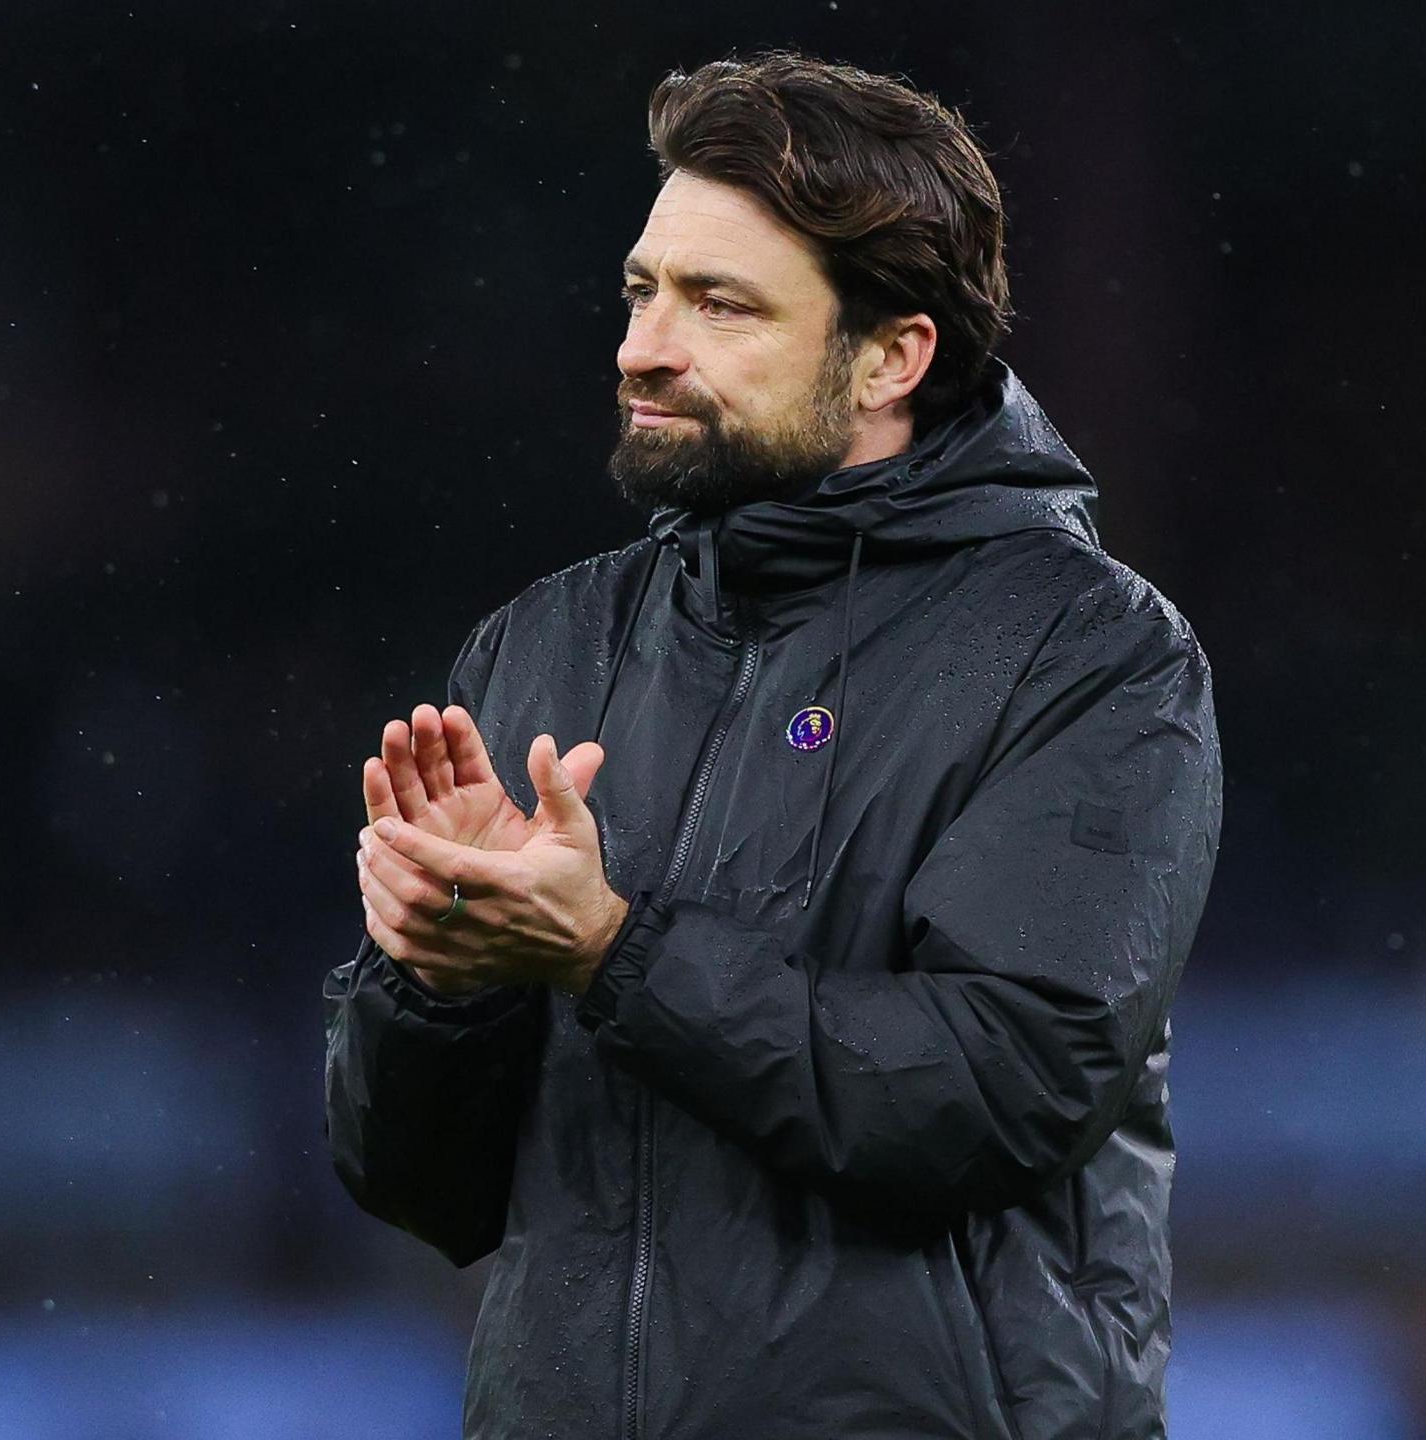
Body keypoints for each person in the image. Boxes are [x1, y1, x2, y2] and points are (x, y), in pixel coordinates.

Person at [322, 50, 1223, 1439]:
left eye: (719, 304)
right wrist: (441, 984)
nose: (642, 346)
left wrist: (612, 952)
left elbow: (994, 1094)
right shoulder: (545, 646)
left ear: (891, 356)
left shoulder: (1088, 652)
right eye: (642, 291)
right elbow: (425, 1195)